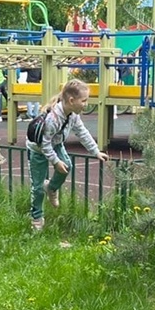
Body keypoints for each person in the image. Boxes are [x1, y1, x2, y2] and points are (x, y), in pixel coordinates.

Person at [26, 78, 109, 230]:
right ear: (71, 100)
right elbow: (44, 145)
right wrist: (56, 162)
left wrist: (95, 151)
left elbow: (82, 132)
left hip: (55, 144)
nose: (86, 104)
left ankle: (51, 188)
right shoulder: (53, 119)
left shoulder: (72, 114)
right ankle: (37, 218)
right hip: (38, 149)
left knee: (67, 165)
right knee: (37, 187)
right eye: (84, 101)